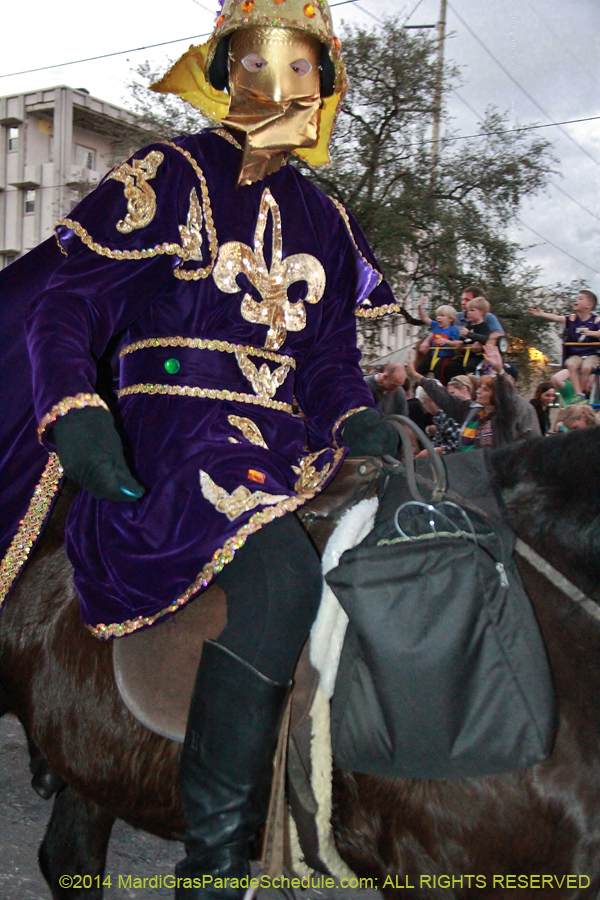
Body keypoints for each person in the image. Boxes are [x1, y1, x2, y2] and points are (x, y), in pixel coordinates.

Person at [0, 3, 401, 897]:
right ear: (226, 72)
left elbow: (330, 361)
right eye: (257, 63)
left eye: (301, 66)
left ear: (323, 83)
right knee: (277, 577)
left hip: (291, 447)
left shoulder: (326, 221)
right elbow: (69, 304)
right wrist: (75, 408)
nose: (279, 84)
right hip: (176, 437)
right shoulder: (167, 173)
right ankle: (213, 865)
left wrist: (357, 420)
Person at [408, 343, 517, 451]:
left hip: (492, 467)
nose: (478, 391)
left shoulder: (503, 415)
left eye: (485, 389)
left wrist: (500, 371)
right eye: (479, 387)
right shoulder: (472, 411)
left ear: (495, 394)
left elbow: (507, 397)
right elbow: (444, 397)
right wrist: (417, 376)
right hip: (467, 465)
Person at [529, 290, 600, 400]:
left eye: (580, 299)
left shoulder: (596, 320)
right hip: (576, 354)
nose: (576, 300)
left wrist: (589, 333)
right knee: (571, 365)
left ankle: (583, 391)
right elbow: (557, 318)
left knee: (587, 367)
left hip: (591, 353)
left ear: (589, 305)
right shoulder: (571, 318)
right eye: (576, 298)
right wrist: (542, 314)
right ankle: (578, 394)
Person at [415, 299, 461, 382]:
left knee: (440, 369)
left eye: (442, 315)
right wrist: (419, 307)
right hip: (433, 355)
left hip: (446, 356)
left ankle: (440, 385)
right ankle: (418, 384)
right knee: (421, 367)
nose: (438, 318)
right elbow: (425, 318)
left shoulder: (453, 330)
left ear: (450, 319)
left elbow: (458, 343)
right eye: (438, 316)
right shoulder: (436, 326)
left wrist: (447, 342)